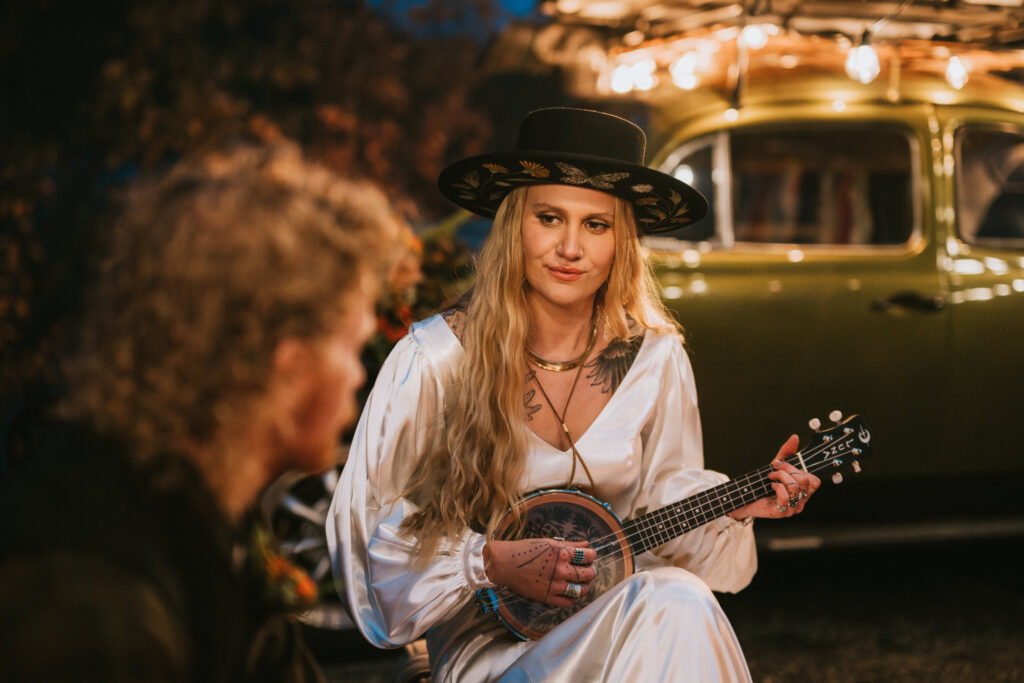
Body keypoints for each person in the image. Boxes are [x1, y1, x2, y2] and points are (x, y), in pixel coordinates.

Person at [327, 108, 820, 682]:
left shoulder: (655, 360)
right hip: (489, 648)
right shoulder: (435, 359)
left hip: (616, 622)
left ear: (622, 242)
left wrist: (734, 508)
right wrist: (484, 561)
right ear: (516, 225)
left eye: (596, 225)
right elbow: (366, 537)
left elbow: (664, 510)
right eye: (550, 217)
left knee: (678, 596)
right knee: (672, 605)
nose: (569, 247)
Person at [0, 143, 399, 682]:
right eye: (353, 346)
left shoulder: (195, 514)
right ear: (288, 370)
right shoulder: (93, 604)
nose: (359, 375)